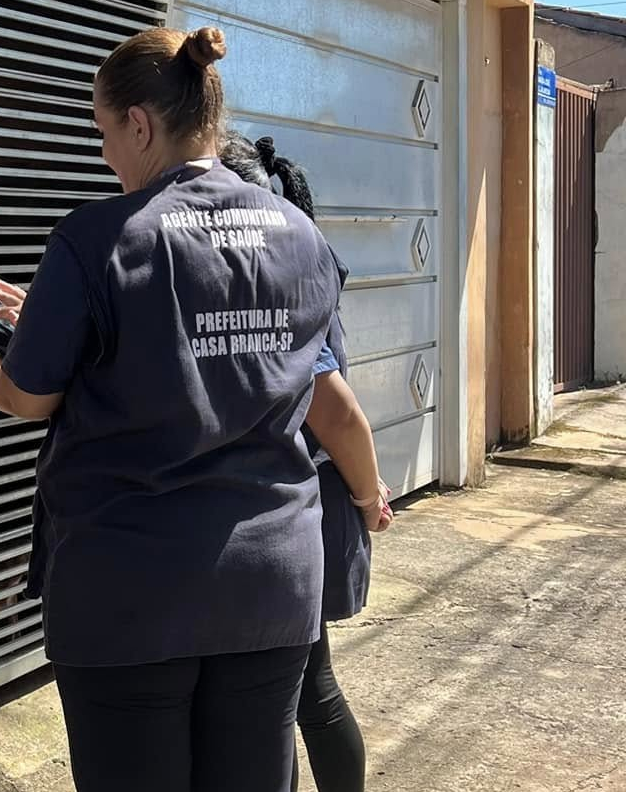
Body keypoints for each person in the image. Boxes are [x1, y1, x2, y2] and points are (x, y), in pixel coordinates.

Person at [0, 26, 388, 792]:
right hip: (271, 582)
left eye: (104, 133)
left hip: (130, 586)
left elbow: (31, 398)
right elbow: (279, 370)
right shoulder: (299, 235)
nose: (104, 155)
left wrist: (4, 371)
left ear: (139, 123)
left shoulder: (94, 239)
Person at [219, 130, 390, 792]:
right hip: (285, 507)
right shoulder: (289, 266)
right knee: (292, 692)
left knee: (298, 694)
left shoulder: (277, 283)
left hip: (294, 503)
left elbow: (338, 414)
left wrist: (369, 499)